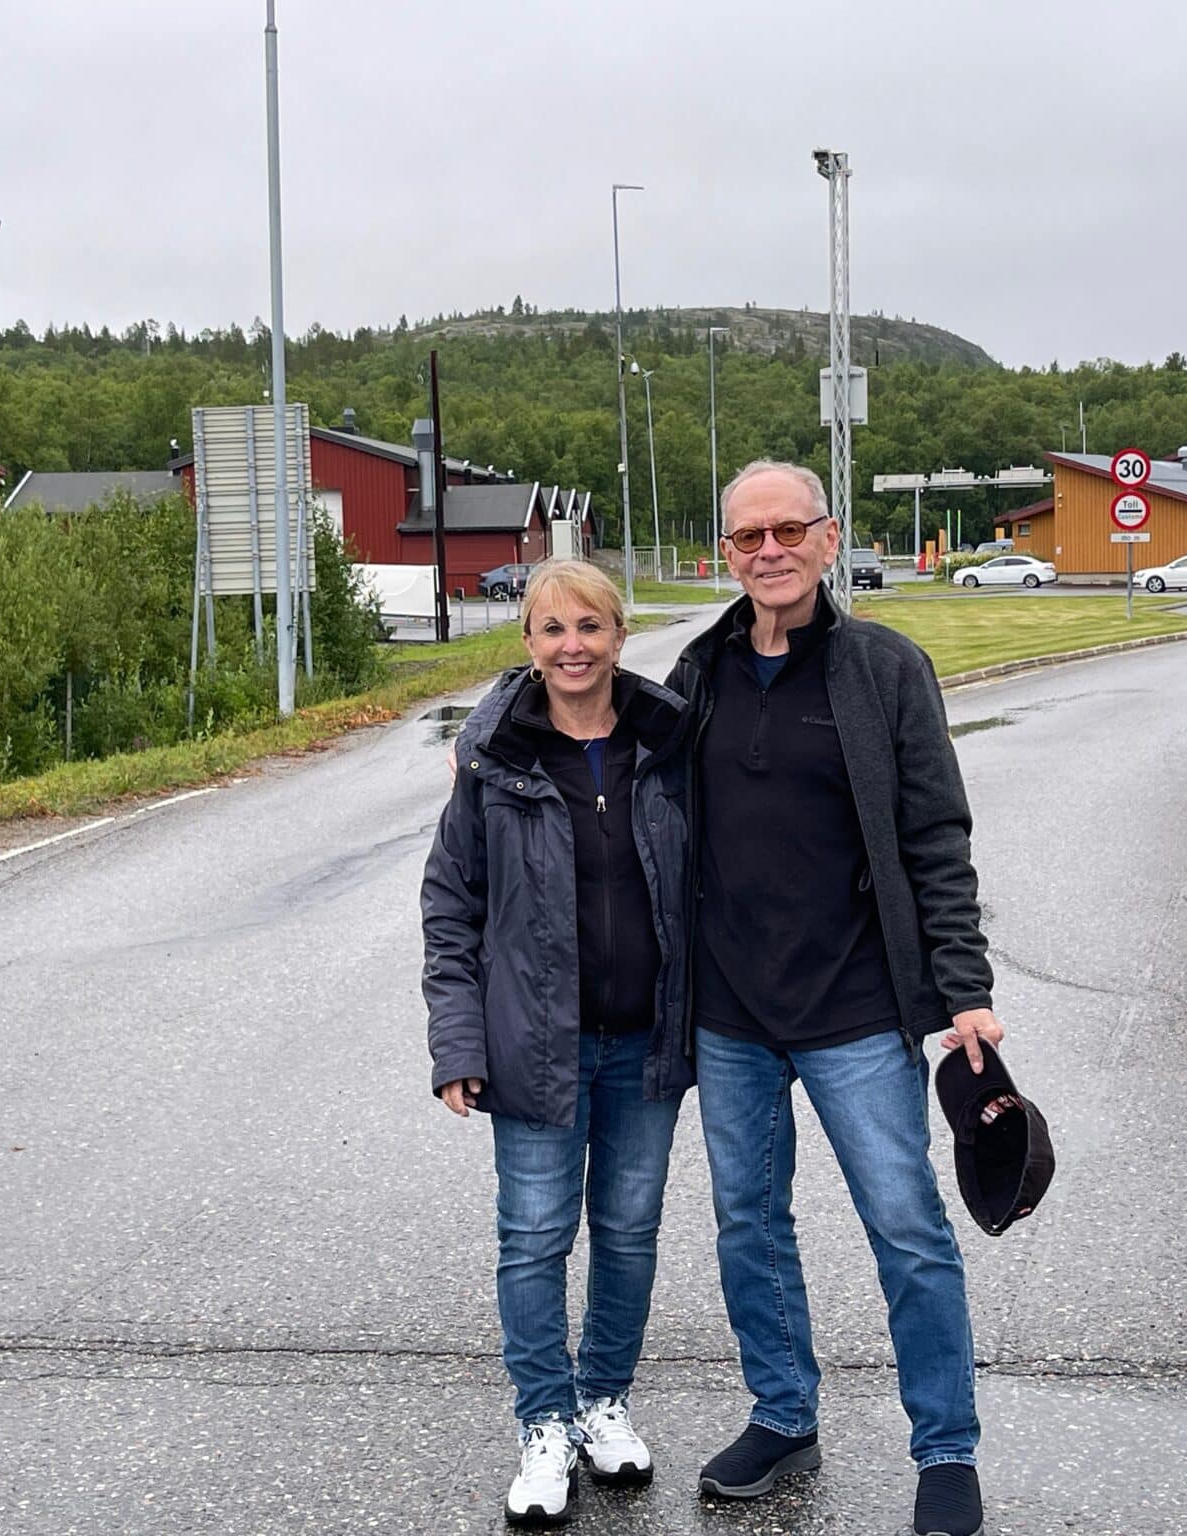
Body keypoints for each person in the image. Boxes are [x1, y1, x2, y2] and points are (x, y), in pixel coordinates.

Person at [668, 460, 1005, 1536]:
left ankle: (945, 1449)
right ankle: (781, 1413)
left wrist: (962, 991)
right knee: (747, 1223)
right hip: (729, 1011)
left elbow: (934, 840)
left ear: (827, 538)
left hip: (855, 1006)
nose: (765, 551)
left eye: (785, 531)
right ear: (724, 552)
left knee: (904, 1227)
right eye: (744, 537)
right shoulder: (700, 668)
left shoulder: (882, 669)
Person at [422, 559, 694, 1527]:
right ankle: (542, 1422)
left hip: (645, 1045)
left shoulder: (666, 747)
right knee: (534, 1239)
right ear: (527, 643)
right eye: (551, 630)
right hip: (533, 1048)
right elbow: (451, 905)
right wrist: (457, 1043)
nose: (571, 646)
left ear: (620, 636)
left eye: (590, 626)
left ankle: (600, 1402)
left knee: (626, 1233)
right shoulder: (496, 760)